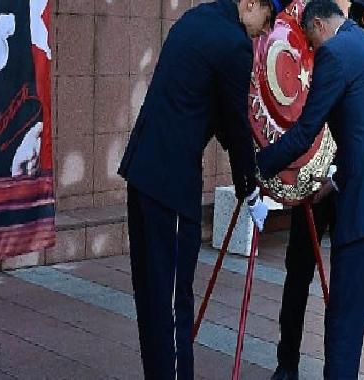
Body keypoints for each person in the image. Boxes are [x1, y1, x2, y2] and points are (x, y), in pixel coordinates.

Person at [257, 0, 364, 378]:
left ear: (318, 25)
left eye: (311, 42)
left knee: (344, 328)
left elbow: (305, 132)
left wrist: (259, 165)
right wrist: (334, 182)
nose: (313, 52)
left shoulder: (335, 53)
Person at [117, 0, 291, 377]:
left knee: (151, 295)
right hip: (171, 184)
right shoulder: (233, 43)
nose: (264, 32)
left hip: (143, 172)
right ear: (250, 4)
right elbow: (236, 120)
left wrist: (247, 173)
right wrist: (252, 188)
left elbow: (212, 111)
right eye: (266, 20)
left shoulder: (197, 19)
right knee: (174, 300)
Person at [270, 1, 364, 379]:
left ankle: (337, 368)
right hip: (312, 185)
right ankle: (287, 363)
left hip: (346, 189)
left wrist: (334, 176)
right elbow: (309, 121)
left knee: (347, 283)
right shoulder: (324, 57)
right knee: (297, 275)